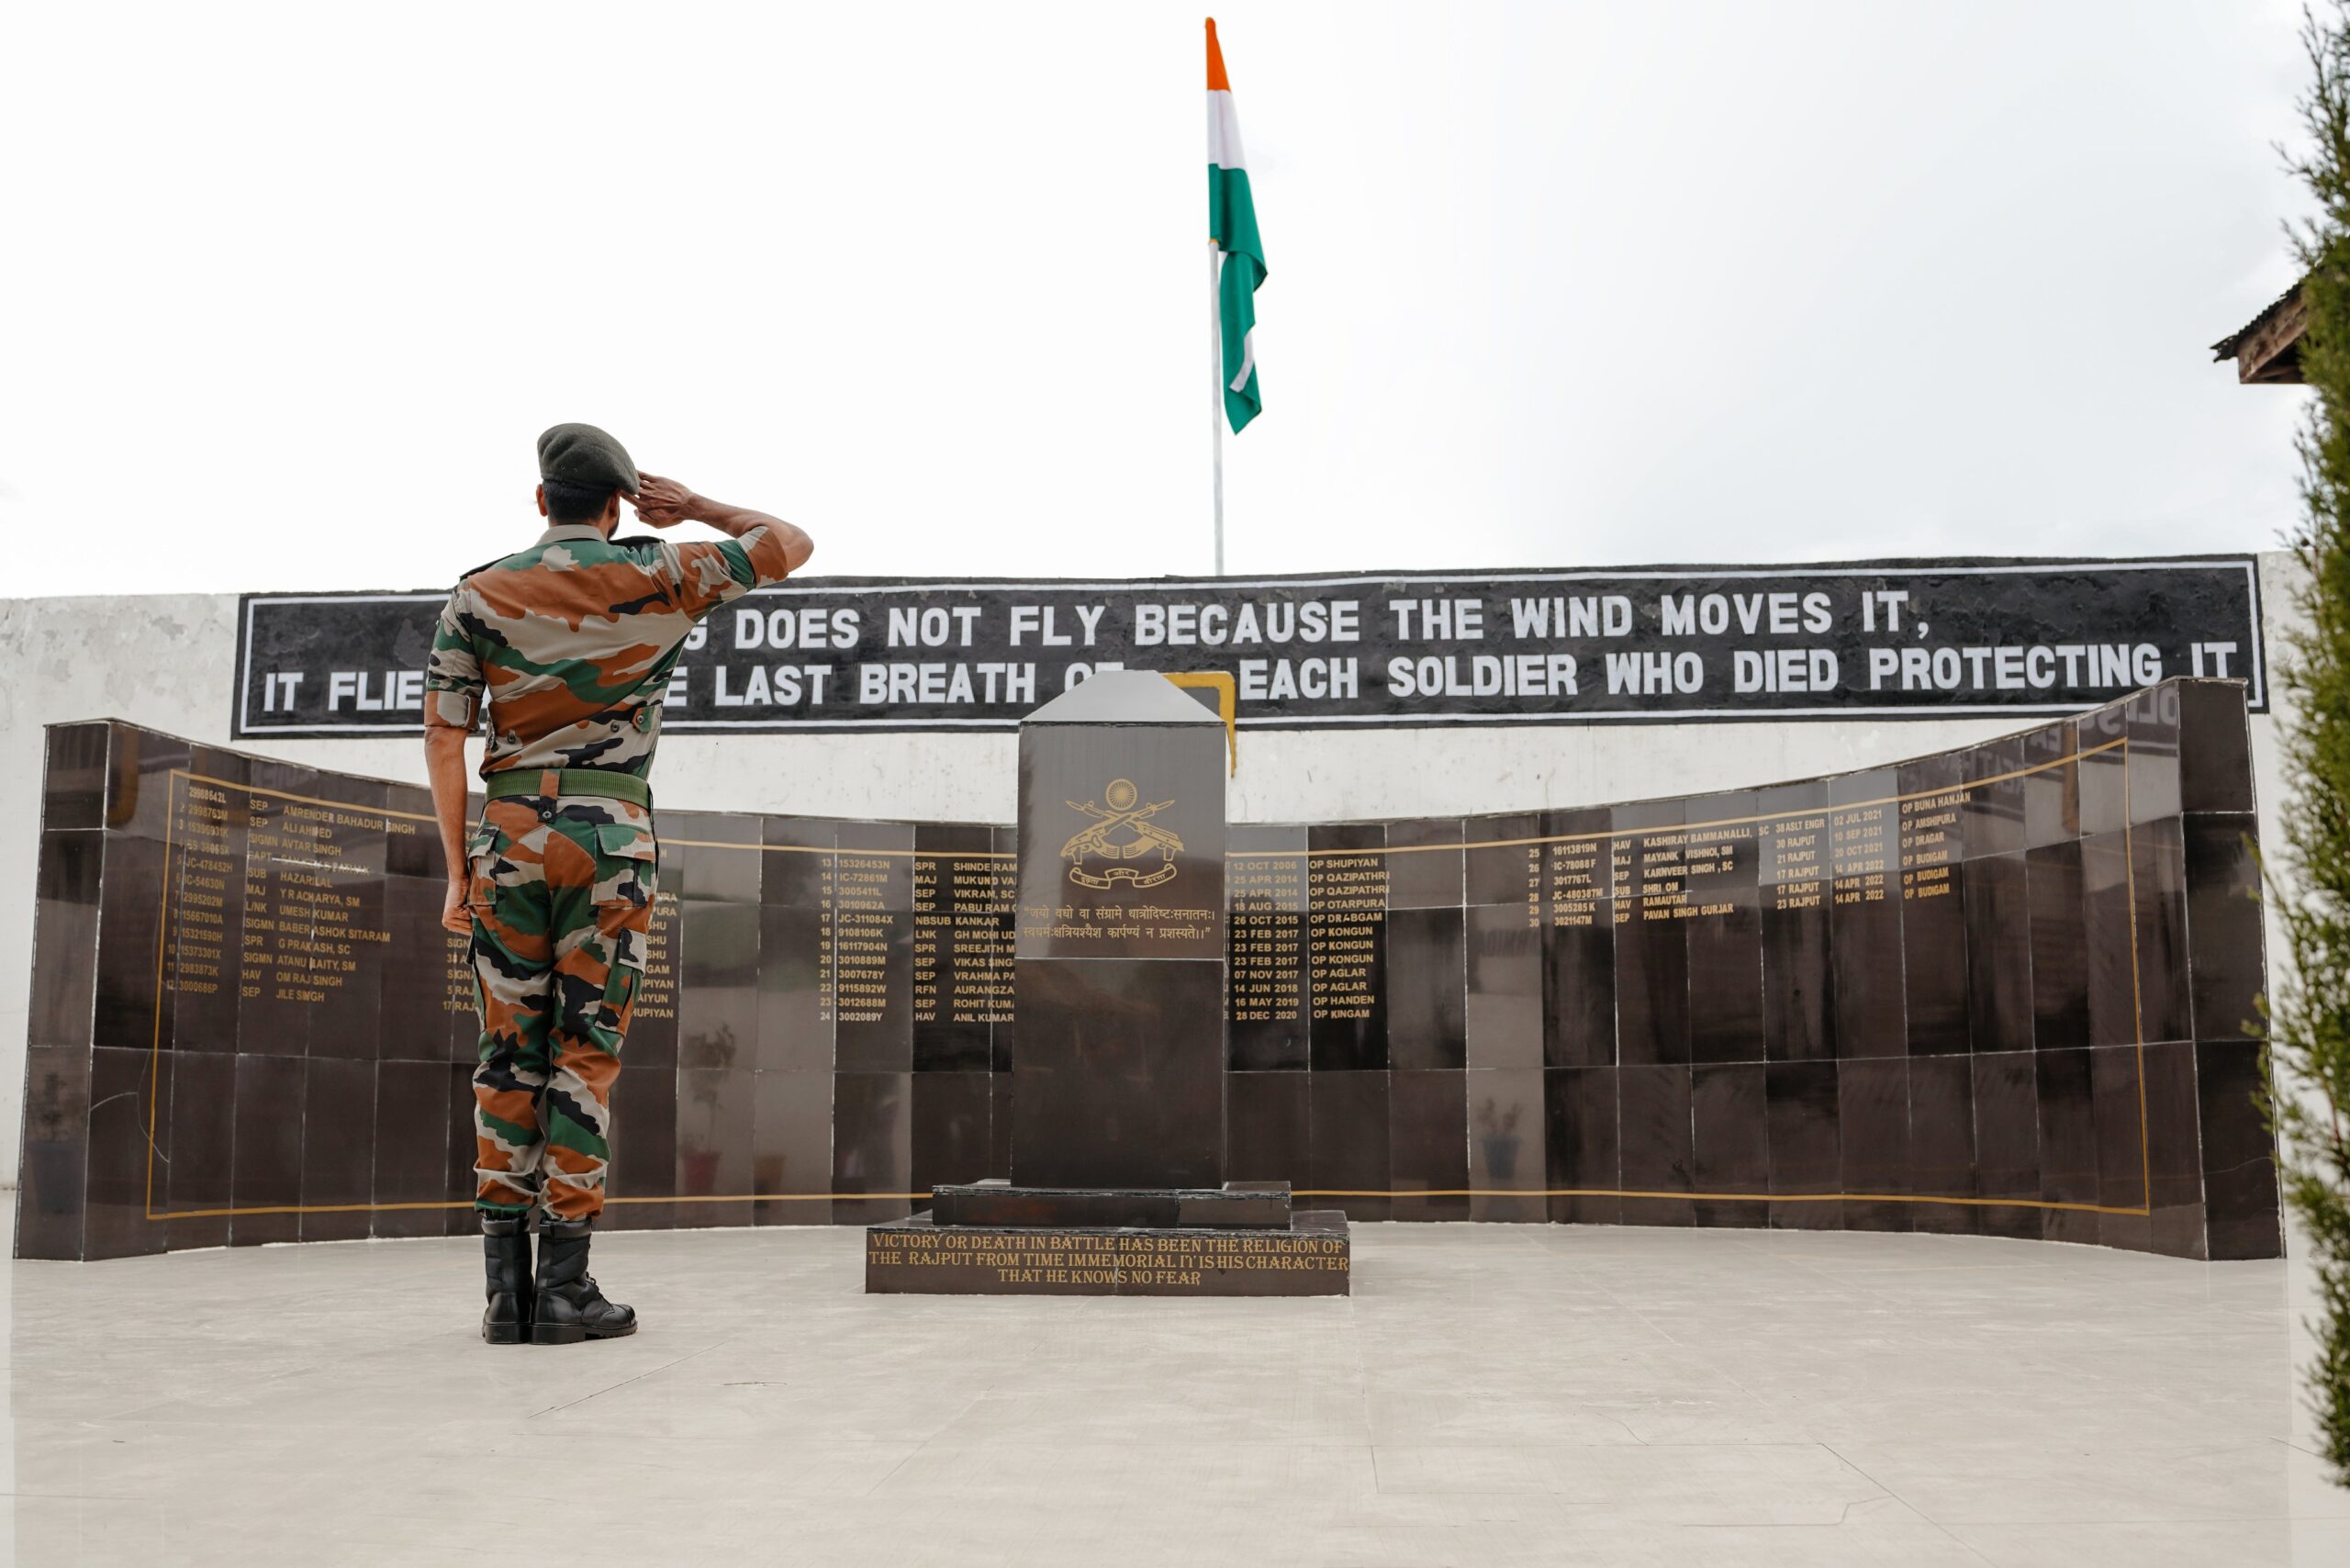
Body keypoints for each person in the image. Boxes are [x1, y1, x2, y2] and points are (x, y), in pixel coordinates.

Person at [422, 423, 812, 1345]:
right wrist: (695, 506)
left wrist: (459, 871)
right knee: (583, 1054)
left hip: (508, 835)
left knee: (506, 1054)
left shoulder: (479, 593)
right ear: (617, 504)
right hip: (610, 839)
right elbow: (789, 542)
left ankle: (505, 1295)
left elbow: (444, 736)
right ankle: (565, 1289)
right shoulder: (662, 572)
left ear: (539, 499)